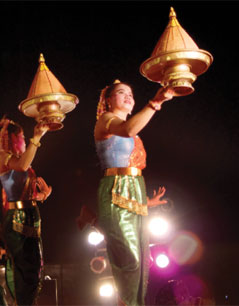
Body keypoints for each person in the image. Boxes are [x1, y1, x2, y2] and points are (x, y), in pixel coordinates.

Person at [94, 80, 174, 306]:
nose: (128, 96)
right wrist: (156, 102)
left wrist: (147, 201)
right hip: (115, 187)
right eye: (121, 93)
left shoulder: (131, 129)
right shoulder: (106, 121)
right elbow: (128, 129)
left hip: (133, 189)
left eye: (131, 93)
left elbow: (131, 132)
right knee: (130, 261)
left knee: (141, 265)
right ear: (108, 101)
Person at [0, 116, 52, 306]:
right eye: (22, 137)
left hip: (31, 217)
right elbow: (22, 166)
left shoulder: (19, 159)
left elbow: (25, 191)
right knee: (24, 270)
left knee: (35, 268)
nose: (24, 140)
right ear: (11, 139)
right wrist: (37, 138)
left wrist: (43, 195)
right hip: (17, 219)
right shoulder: (4, 157)